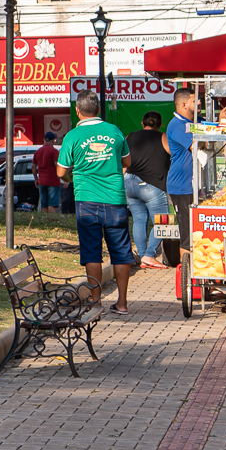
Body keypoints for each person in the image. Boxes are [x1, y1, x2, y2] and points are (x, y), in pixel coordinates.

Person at [57, 95, 134, 314]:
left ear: (78, 111)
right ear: (99, 109)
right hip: (115, 200)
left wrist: (73, 179)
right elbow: (127, 161)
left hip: (87, 201)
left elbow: (61, 172)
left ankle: (95, 300)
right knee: (120, 252)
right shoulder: (115, 131)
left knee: (92, 252)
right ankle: (122, 302)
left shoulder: (72, 136)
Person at [124, 110, 173, 270]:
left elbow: (123, 159)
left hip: (129, 182)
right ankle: (150, 255)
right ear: (160, 125)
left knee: (139, 220)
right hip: (152, 185)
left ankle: (143, 255)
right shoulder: (163, 137)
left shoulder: (130, 136)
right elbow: (173, 154)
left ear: (142, 124)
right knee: (163, 223)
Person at [162, 87, 197, 272]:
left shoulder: (191, 123)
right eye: (194, 100)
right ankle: (187, 278)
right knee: (187, 233)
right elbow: (199, 145)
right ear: (184, 104)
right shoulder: (177, 125)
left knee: (195, 231)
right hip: (182, 187)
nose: (198, 103)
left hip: (192, 186)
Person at [34, 131, 62, 212]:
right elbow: (57, 165)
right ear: (52, 140)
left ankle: (44, 223)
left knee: (44, 205)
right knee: (52, 205)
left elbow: (33, 166)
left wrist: (36, 179)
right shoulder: (54, 151)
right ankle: (52, 222)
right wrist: (63, 177)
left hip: (42, 181)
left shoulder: (37, 151)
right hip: (53, 181)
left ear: (44, 140)